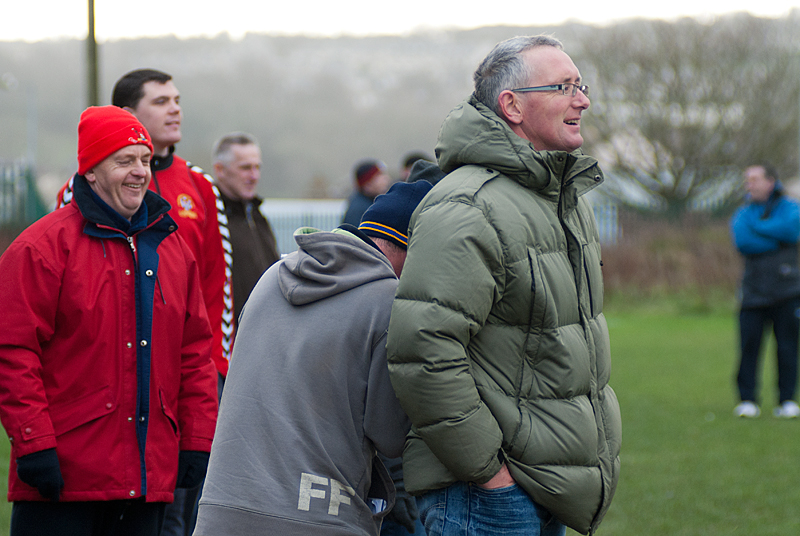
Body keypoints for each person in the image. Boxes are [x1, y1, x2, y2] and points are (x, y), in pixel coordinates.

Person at [386, 35, 621, 536]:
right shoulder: (468, 205)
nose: (582, 101)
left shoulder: (564, 200)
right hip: (487, 497)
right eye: (563, 87)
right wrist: (489, 474)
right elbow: (423, 349)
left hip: (544, 486)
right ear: (512, 106)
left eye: (581, 86)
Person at [0, 106, 219, 536]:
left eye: (144, 160)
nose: (139, 171)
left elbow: (195, 353)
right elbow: (13, 350)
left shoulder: (174, 250)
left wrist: (197, 439)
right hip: (63, 481)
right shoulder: (40, 248)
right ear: (91, 171)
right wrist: (33, 442)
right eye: (124, 160)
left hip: (147, 483)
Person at [194, 180, 433, 536]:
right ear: (415, 249)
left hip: (222, 508)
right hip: (318, 516)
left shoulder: (272, 276)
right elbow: (390, 436)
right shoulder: (387, 300)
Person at [53, 69, 233, 536]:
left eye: (177, 100)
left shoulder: (200, 185)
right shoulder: (80, 192)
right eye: (161, 101)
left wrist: (215, 369)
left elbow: (217, 284)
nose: (175, 109)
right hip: (111, 389)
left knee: (186, 509)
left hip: (186, 378)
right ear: (128, 113)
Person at [731, 163, 800, 419]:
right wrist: (775, 237)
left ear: (771, 181)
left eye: (755, 179)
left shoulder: (790, 208)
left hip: (788, 290)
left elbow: (791, 231)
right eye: (747, 180)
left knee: (787, 348)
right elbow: (743, 241)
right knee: (749, 348)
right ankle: (747, 400)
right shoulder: (743, 213)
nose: (749, 184)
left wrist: (758, 227)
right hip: (753, 293)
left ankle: (787, 400)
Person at [211, 132, 281, 327]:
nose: (254, 176)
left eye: (257, 167)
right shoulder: (210, 220)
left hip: (268, 331)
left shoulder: (257, 217)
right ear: (220, 170)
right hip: (230, 336)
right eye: (245, 168)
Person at [342, 158, 392, 226]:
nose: (386, 179)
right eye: (379, 175)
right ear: (367, 184)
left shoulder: (374, 202)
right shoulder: (359, 210)